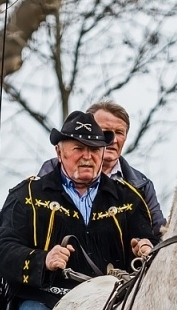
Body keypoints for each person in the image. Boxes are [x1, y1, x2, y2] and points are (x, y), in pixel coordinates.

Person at [0, 110, 159, 310]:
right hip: (44, 297)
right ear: (60, 152)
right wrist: (42, 259)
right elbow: (2, 248)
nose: (87, 156)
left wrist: (146, 248)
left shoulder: (128, 198)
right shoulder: (28, 195)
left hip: (109, 301)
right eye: (78, 149)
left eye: (94, 149)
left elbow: (149, 238)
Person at [38, 100, 166, 233]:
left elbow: (159, 232)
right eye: (106, 132)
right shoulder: (51, 171)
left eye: (119, 132)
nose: (113, 140)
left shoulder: (141, 186)